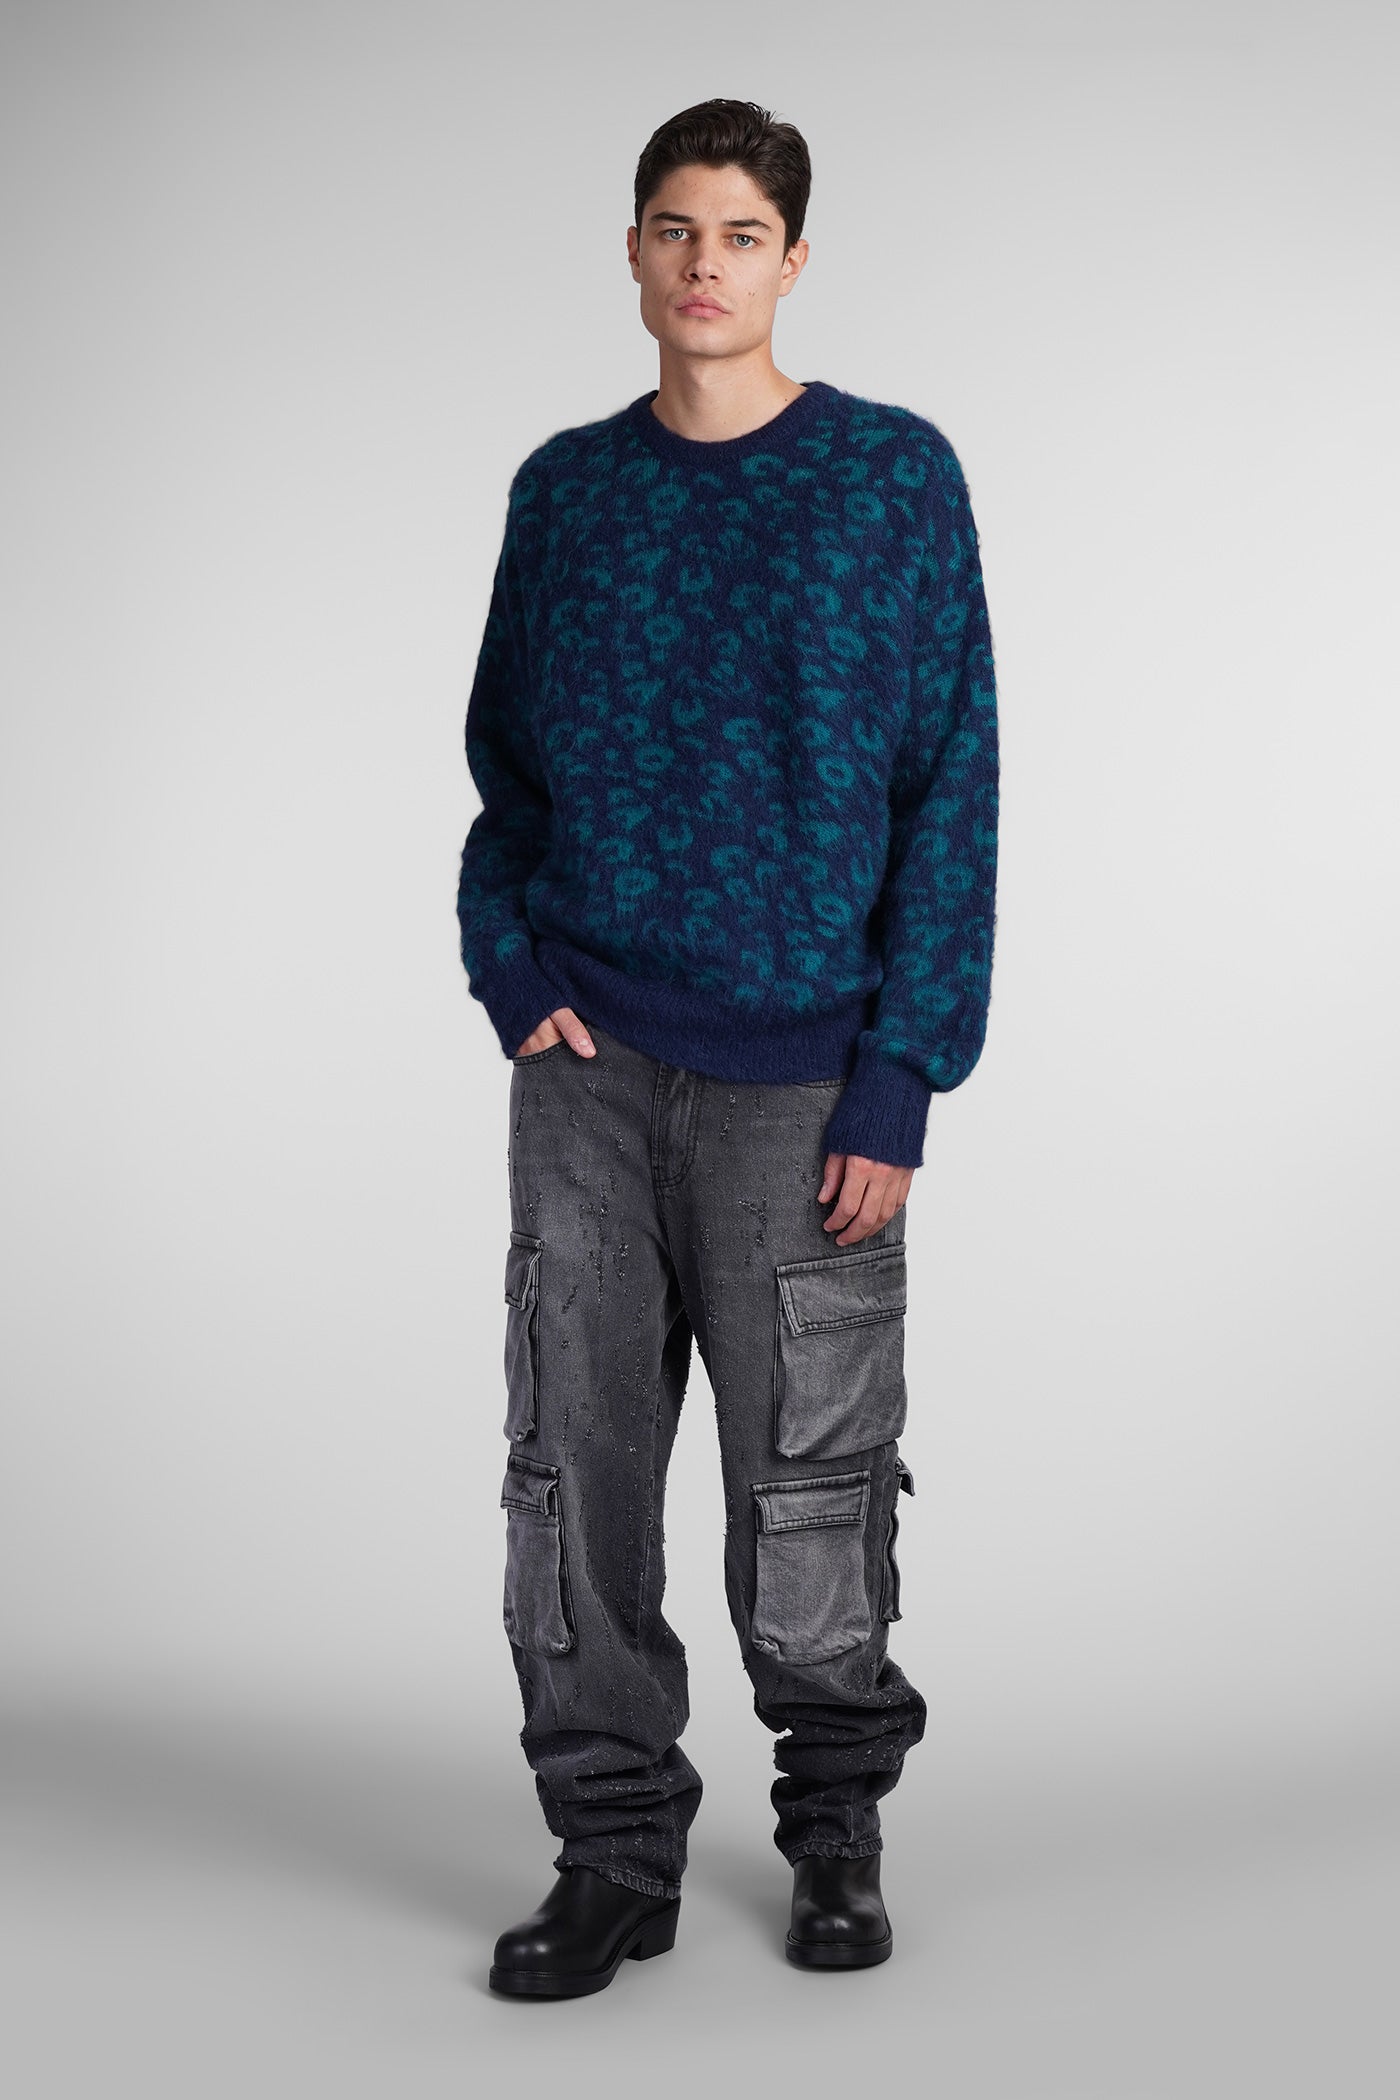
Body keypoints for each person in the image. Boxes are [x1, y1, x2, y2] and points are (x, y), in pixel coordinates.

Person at [457, 97, 999, 1998]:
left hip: (805, 1080)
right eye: (675, 229)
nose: (706, 264)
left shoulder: (890, 479)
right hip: (588, 1075)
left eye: (742, 233)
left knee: (812, 1477)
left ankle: (836, 1830)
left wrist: (902, 1075)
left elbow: (953, 793)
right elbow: (504, 774)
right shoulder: (566, 493)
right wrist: (506, 967)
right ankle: (612, 1850)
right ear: (632, 252)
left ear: (792, 259)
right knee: (576, 1476)